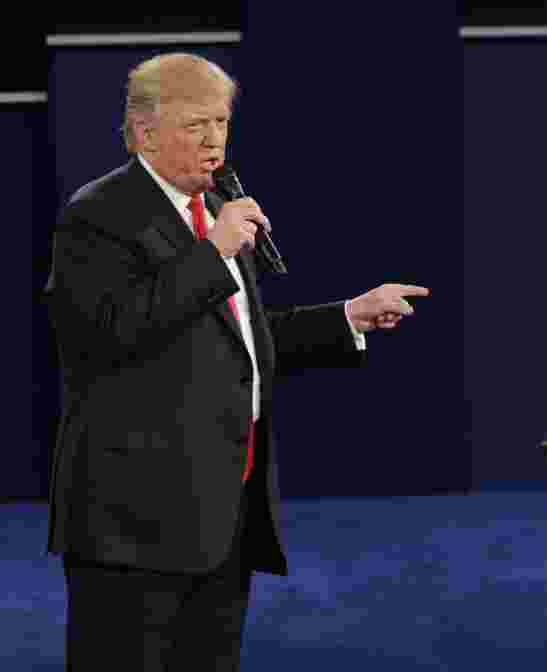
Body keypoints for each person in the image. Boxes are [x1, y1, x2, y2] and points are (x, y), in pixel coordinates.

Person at [42, 52, 428, 670]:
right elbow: (108, 334)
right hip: (133, 519)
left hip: (221, 507)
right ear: (145, 131)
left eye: (221, 122)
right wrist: (212, 251)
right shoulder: (101, 213)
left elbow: (237, 337)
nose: (214, 140)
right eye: (195, 125)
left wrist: (346, 317)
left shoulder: (216, 206)